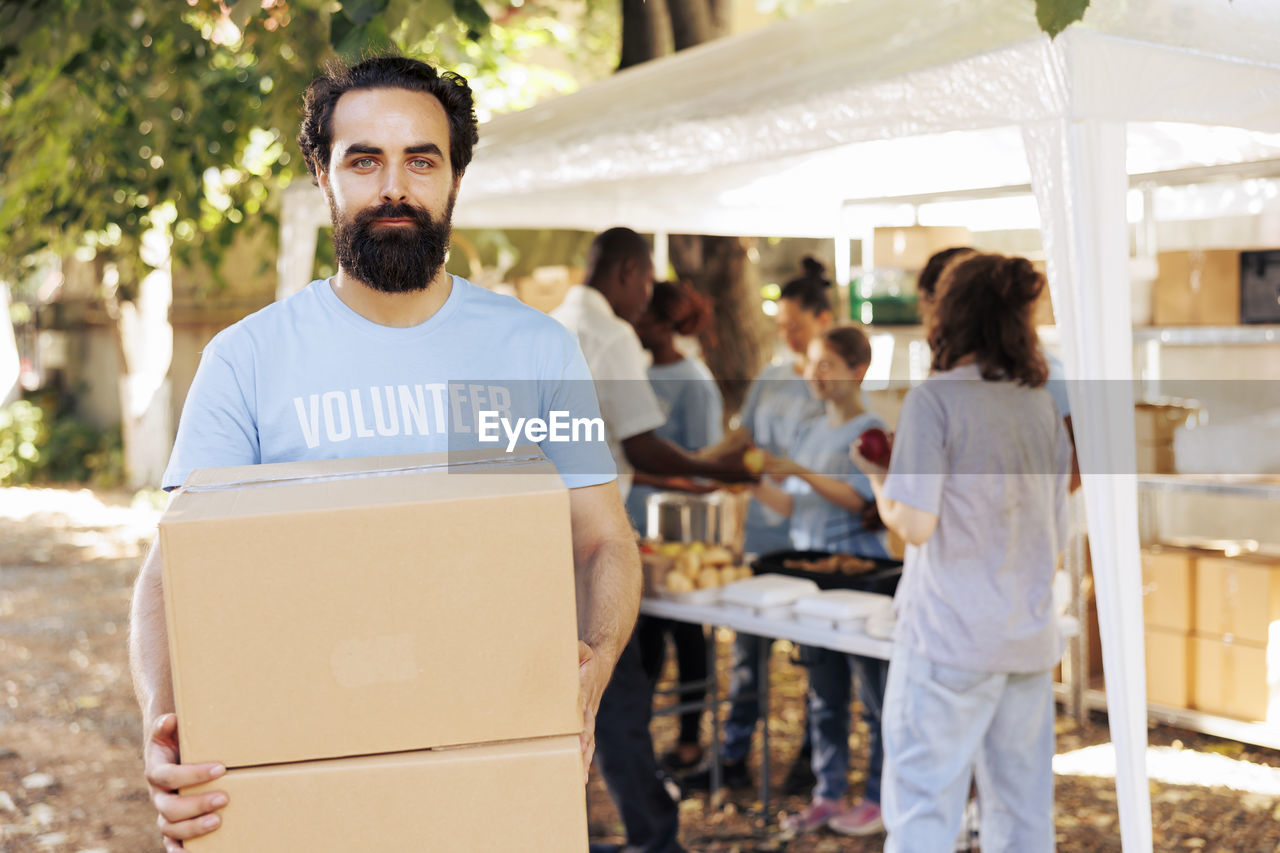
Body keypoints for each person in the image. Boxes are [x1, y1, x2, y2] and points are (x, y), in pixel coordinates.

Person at [128, 55, 640, 851]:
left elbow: (603, 538)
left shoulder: (534, 352)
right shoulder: (248, 360)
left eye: (420, 160)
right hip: (301, 784)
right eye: (364, 159)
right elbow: (172, 571)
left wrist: (595, 664)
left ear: (454, 180)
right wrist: (165, 722)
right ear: (324, 178)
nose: (393, 186)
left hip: (491, 776)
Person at [853, 252, 1072, 852]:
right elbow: (1055, 533)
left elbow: (916, 526)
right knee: (1022, 815)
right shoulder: (1040, 404)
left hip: (948, 637)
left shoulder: (935, 401)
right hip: (1025, 637)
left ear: (949, 315)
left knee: (925, 811)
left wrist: (878, 478)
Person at [551, 226, 752, 853]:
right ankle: (653, 835)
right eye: (645, 281)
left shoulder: (548, 322)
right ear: (630, 271)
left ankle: (568, 833)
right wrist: (722, 470)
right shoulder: (608, 334)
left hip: (546, 533)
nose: (648, 298)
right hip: (594, 537)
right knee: (617, 694)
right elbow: (639, 444)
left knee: (563, 693)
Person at [685, 260, 828, 793]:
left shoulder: (829, 380)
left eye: (795, 325)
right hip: (761, 536)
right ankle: (732, 756)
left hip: (809, 539)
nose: (786, 335)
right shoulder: (770, 376)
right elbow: (744, 437)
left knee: (816, 661)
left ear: (822, 319)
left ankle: (814, 762)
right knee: (747, 656)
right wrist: (695, 464)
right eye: (781, 325)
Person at [751, 326, 890, 837]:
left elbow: (863, 503)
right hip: (807, 576)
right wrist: (756, 484)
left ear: (858, 370)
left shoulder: (869, 429)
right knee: (824, 695)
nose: (815, 374)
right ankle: (828, 794)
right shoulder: (810, 429)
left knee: (874, 699)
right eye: (812, 362)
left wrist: (801, 472)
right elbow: (793, 505)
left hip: (857, 576)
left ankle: (878, 797)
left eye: (827, 364)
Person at [626, 281, 724, 772]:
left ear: (666, 324)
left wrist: (652, 475)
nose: (635, 324)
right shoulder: (639, 371)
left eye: (644, 317)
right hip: (636, 528)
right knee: (644, 636)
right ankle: (637, 736)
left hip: (681, 531)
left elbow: (704, 461)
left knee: (682, 637)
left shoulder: (694, 380)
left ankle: (690, 738)